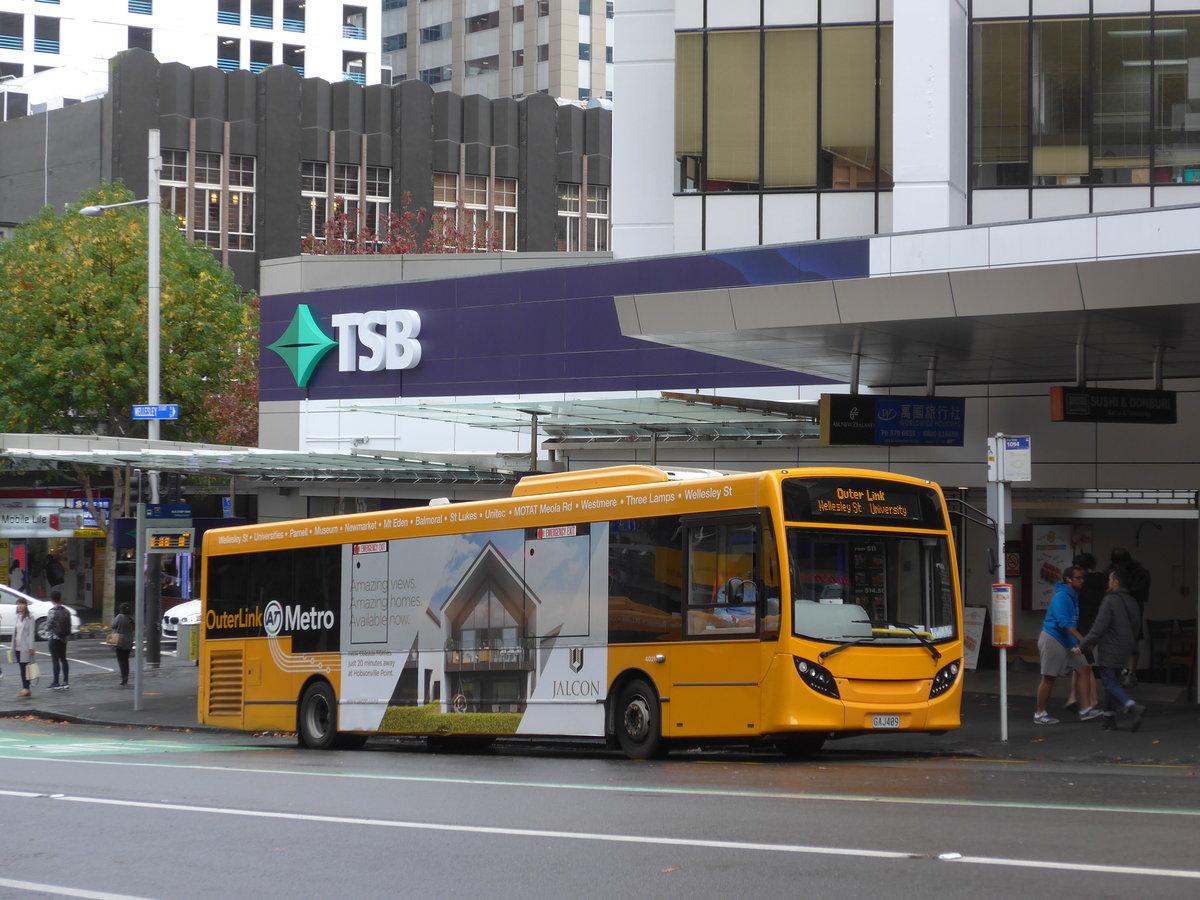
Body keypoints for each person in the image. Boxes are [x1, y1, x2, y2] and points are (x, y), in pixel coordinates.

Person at [1080, 567, 1146, 731]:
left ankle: (1131, 706)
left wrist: (1083, 644)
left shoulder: (1109, 600)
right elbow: (1136, 625)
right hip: (1126, 647)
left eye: (1110, 580)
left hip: (1110, 646)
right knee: (1113, 681)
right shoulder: (1133, 601)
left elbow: (1098, 628)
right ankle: (1109, 718)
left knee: (1109, 682)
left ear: (1116, 582)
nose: (1109, 583)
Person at [1034, 566, 1101, 724]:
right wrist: (1083, 641)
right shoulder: (1062, 596)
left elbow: (1070, 623)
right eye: (1078, 578)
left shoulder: (1072, 596)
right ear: (1068, 579)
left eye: (1082, 578)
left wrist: (1077, 642)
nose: (1082, 581)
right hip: (1053, 639)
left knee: (1084, 669)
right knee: (1049, 677)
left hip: (1067, 640)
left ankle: (1085, 710)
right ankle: (1040, 713)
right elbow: (1064, 622)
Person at [1066, 553, 1106, 711]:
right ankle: (1074, 697)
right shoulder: (1101, 580)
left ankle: (1092, 699)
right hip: (1096, 624)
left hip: (1083, 626)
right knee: (1081, 661)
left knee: (1085, 663)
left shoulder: (1082, 584)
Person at [1107, 548, 1151, 684]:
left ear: (1127, 562)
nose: (1119, 567)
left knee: (1133, 641)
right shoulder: (1110, 569)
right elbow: (1105, 582)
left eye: (1121, 564)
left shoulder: (1139, 571)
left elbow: (1141, 593)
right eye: (1116, 565)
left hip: (1132, 609)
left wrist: (1121, 591)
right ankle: (1121, 670)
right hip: (1115, 609)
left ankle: (1131, 673)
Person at [12, 595, 36, 698]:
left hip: (25, 647)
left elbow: (31, 633)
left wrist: (31, 647)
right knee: (22, 668)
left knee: (25, 668)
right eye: (18, 604)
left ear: (26, 605)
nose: (20, 606)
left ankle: (26, 688)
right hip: (17, 646)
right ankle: (26, 688)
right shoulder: (18, 616)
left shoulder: (30, 617)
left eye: (22, 604)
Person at [46, 590, 71, 691]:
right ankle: (65, 681)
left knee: (55, 660)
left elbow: (48, 625)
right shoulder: (66, 611)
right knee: (64, 659)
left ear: (52, 599)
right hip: (63, 638)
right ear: (60, 598)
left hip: (54, 637)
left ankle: (56, 681)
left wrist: (47, 628)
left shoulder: (52, 611)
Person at [110, 602, 135, 686]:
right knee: (126, 660)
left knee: (121, 660)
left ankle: (124, 677)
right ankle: (126, 676)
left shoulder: (120, 616)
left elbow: (113, 625)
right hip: (129, 641)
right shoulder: (131, 618)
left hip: (120, 641)